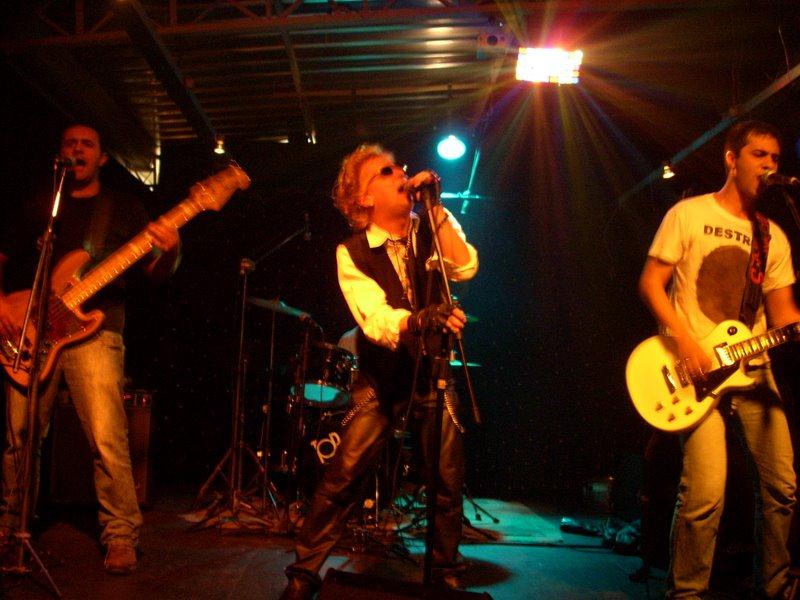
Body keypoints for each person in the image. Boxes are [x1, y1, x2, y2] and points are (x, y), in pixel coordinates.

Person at [280, 144, 479, 599]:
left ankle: (445, 572)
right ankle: (303, 574)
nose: (401, 173)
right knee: (342, 476)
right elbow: (374, 319)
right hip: (382, 380)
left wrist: (437, 209)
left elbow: (466, 265)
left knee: (446, 480)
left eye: (400, 167)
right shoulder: (351, 252)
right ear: (363, 198)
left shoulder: (431, 224)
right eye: (386, 171)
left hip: (432, 373)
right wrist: (418, 320)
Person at [0, 124, 181, 574]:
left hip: (97, 332)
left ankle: (120, 535)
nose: (77, 149)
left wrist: (171, 251)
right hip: (32, 332)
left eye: (87, 144)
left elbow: (156, 274)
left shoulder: (124, 208)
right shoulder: (44, 206)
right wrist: (2, 305)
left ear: (101, 158)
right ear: (60, 153)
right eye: (70, 143)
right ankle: (9, 528)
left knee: (106, 437)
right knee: (19, 436)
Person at [638, 119, 799, 599]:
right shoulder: (688, 214)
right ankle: (687, 594)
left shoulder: (773, 237)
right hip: (695, 370)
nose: (768, 165)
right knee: (706, 493)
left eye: (775, 158)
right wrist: (685, 341)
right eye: (758, 155)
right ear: (732, 159)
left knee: (783, 487)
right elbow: (651, 283)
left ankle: (775, 589)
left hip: (754, 370)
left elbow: (784, 316)